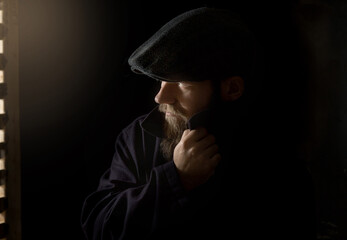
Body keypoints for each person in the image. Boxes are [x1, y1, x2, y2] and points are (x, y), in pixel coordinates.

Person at [81, 7, 317, 240]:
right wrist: (176, 178)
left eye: (182, 83)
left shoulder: (272, 155)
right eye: (162, 81)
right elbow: (99, 226)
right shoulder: (139, 135)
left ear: (232, 88)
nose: (161, 98)